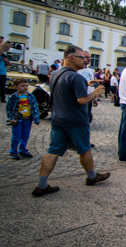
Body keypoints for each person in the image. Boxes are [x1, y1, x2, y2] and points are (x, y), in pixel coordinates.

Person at [32, 46, 109, 196]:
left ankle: (41, 185)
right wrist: (95, 92)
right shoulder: (76, 77)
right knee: (84, 149)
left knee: (53, 151)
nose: (85, 60)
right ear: (71, 58)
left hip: (58, 119)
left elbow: (65, 89)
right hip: (75, 120)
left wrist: (84, 85)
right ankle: (92, 176)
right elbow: (82, 100)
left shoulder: (55, 74)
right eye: (82, 58)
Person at [6, 78, 40, 159]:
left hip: (28, 119)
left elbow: (35, 108)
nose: (25, 87)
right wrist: (11, 118)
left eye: (26, 85)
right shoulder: (13, 97)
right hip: (17, 120)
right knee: (16, 136)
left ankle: (22, 150)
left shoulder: (31, 96)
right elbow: (9, 109)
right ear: (16, 87)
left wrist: (36, 119)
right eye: (22, 86)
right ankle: (13, 151)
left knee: (25, 136)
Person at [77, 51, 97, 123]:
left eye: (89, 57)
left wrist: (95, 98)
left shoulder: (90, 70)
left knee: (87, 116)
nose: (89, 59)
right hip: (81, 97)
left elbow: (92, 85)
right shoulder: (78, 70)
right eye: (86, 57)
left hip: (89, 96)